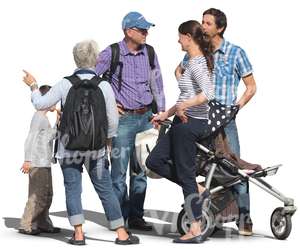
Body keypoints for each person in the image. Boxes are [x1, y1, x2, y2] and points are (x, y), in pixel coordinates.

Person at [22, 40, 139, 245]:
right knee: (105, 189)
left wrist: (33, 85)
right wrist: (107, 143)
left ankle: (78, 234)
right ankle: (121, 233)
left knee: (73, 189)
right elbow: (113, 120)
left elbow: (40, 103)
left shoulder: (65, 83)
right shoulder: (104, 85)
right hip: (97, 149)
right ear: (95, 60)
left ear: (76, 59)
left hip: (69, 148)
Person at [175, 8, 257, 236]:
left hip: (225, 118)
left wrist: (236, 107)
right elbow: (179, 71)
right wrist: (188, 93)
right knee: (200, 165)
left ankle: (244, 217)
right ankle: (205, 214)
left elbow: (251, 87)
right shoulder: (197, 51)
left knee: (234, 168)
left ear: (220, 28)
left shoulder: (235, 52)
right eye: (202, 22)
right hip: (200, 115)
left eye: (208, 23)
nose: (203, 26)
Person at [146, 20, 215, 243]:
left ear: (188, 37)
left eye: (179, 36)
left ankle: (195, 228)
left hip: (191, 123)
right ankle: (198, 187)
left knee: (186, 173)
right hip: (180, 120)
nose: (178, 40)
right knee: (154, 161)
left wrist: (184, 107)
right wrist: (165, 114)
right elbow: (185, 97)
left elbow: (208, 94)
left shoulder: (198, 64)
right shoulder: (191, 62)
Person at [96, 11, 165, 231]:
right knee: (118, 172)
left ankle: (136, 216)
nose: (146, 33)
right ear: (128, 31)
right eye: (142, 29)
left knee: (141, 170)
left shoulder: (150, 53)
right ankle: (119, 219)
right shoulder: (111, 53)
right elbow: (91, 81)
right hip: (123, 120)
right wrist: (108, 104)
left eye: (147, 29)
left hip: (146, 119)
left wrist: (161, 112)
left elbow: (158, 84)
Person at [19, 85, 61, 236]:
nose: (55, 102)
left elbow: (50, 136)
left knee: (47, 194)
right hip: (37, 163)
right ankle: (27, 224)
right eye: (53, 99)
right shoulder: (38, 117)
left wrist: (58, 123)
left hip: (45, 162)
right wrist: (27, 159)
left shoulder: (44, 118)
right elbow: (30, 138)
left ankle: (43, 222)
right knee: (37, 194)